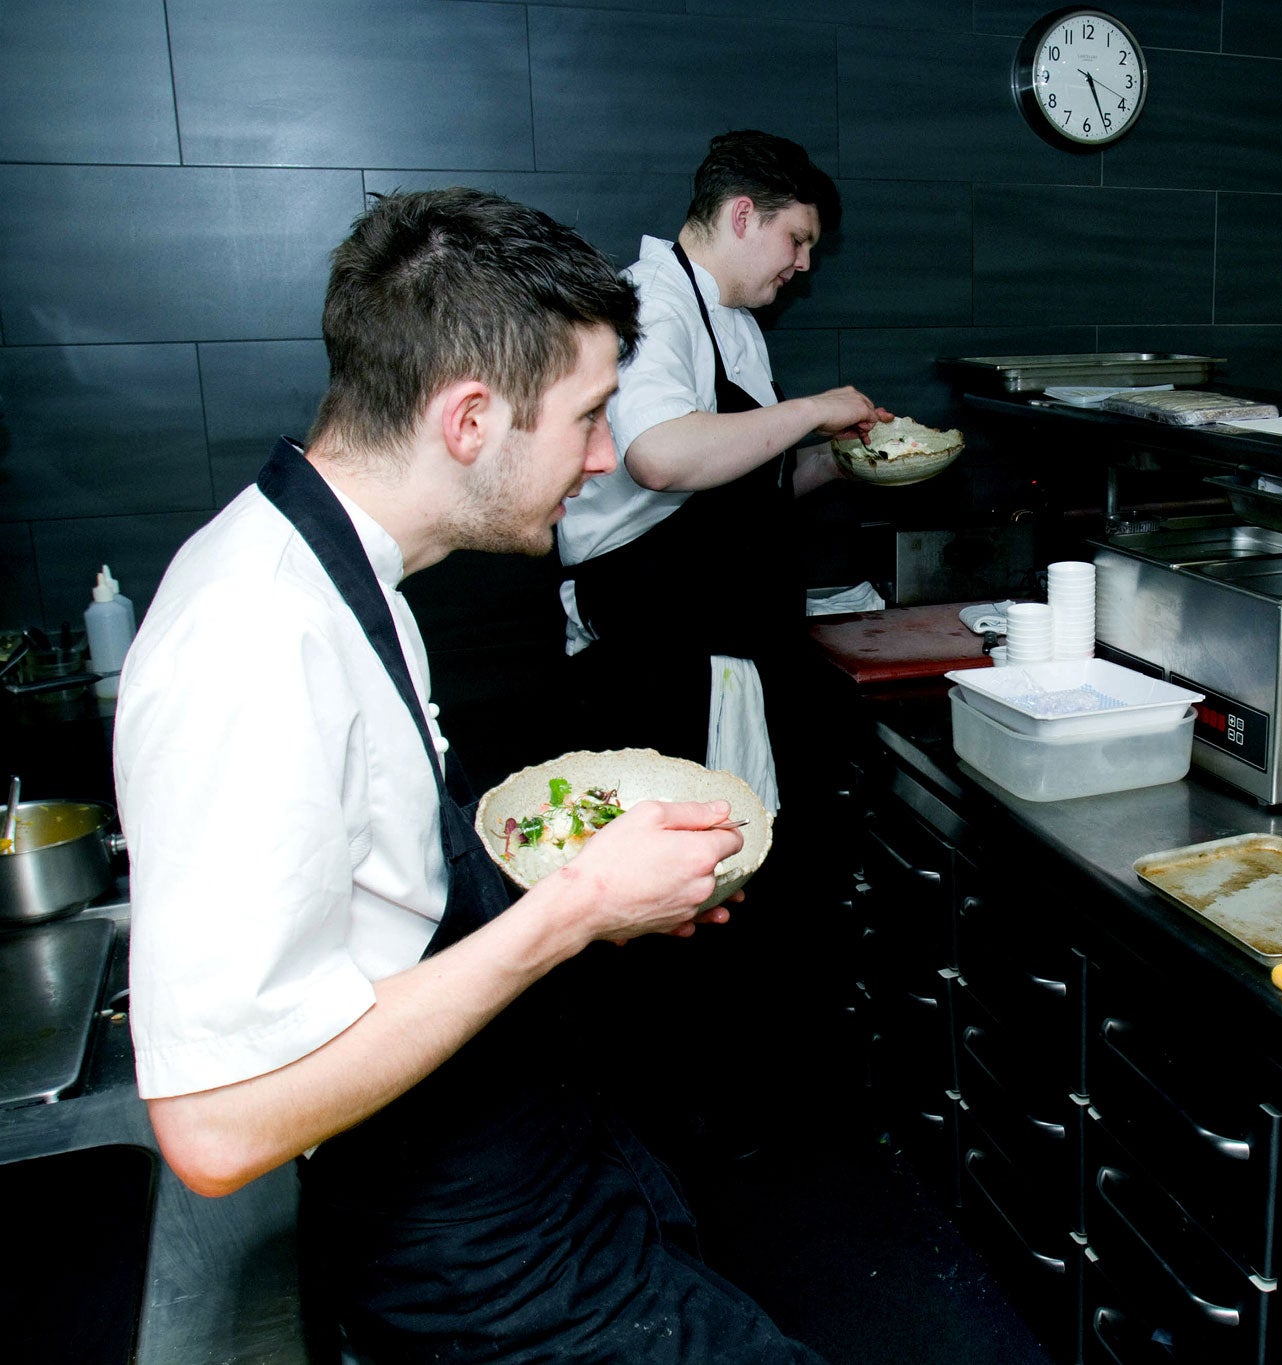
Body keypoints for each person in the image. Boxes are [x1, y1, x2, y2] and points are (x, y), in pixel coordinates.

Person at [113, 187, 826, 1363]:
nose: (606, 463)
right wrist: (574, 909)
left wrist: (609, 900)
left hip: (538, 1152)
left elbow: (383, 900)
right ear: (470, 419)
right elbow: (217, 1126)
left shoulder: (349, 566)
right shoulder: (248, 636)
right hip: (465, 1256)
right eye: (590, 417)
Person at [557, 129, 888, 789]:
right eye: (797, 240)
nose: (802, 265)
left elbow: (748, 484)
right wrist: (809, 410)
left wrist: (837, 461)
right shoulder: (650, 303)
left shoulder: (733, 320)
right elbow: (659, 457)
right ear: (742, 215)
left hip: (724, 637)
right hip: (651, 648)